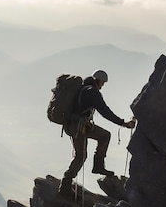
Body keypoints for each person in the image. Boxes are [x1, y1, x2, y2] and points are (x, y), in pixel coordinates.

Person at [58, 69, 136, 197]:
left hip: (78, 125)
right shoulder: (92, 92)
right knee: (80, 156)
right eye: (103, 83)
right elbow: (105, 111)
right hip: (78, 127)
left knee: (105, 136)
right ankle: (65, 185)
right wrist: (123, 123)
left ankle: (98, 166)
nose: (103, 86)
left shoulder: (84, 88)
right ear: (99, 81)